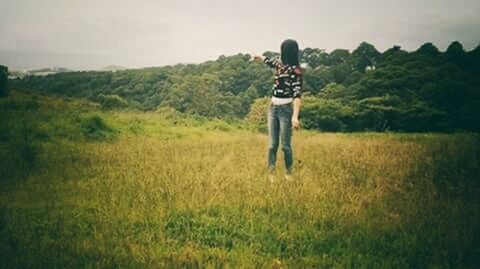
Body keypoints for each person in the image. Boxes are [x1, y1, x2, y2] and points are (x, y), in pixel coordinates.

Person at [252, 39, 302, 182]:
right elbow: (269, 61)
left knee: (285, 146)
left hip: (286, 110)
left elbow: (297, 95)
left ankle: (289, 174)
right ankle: (271, 175)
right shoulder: (280, 65)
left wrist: (295, 116)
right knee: (272, 145)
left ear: (286, 52)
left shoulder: (296, 71)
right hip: (272, 108)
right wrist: (259, 56)